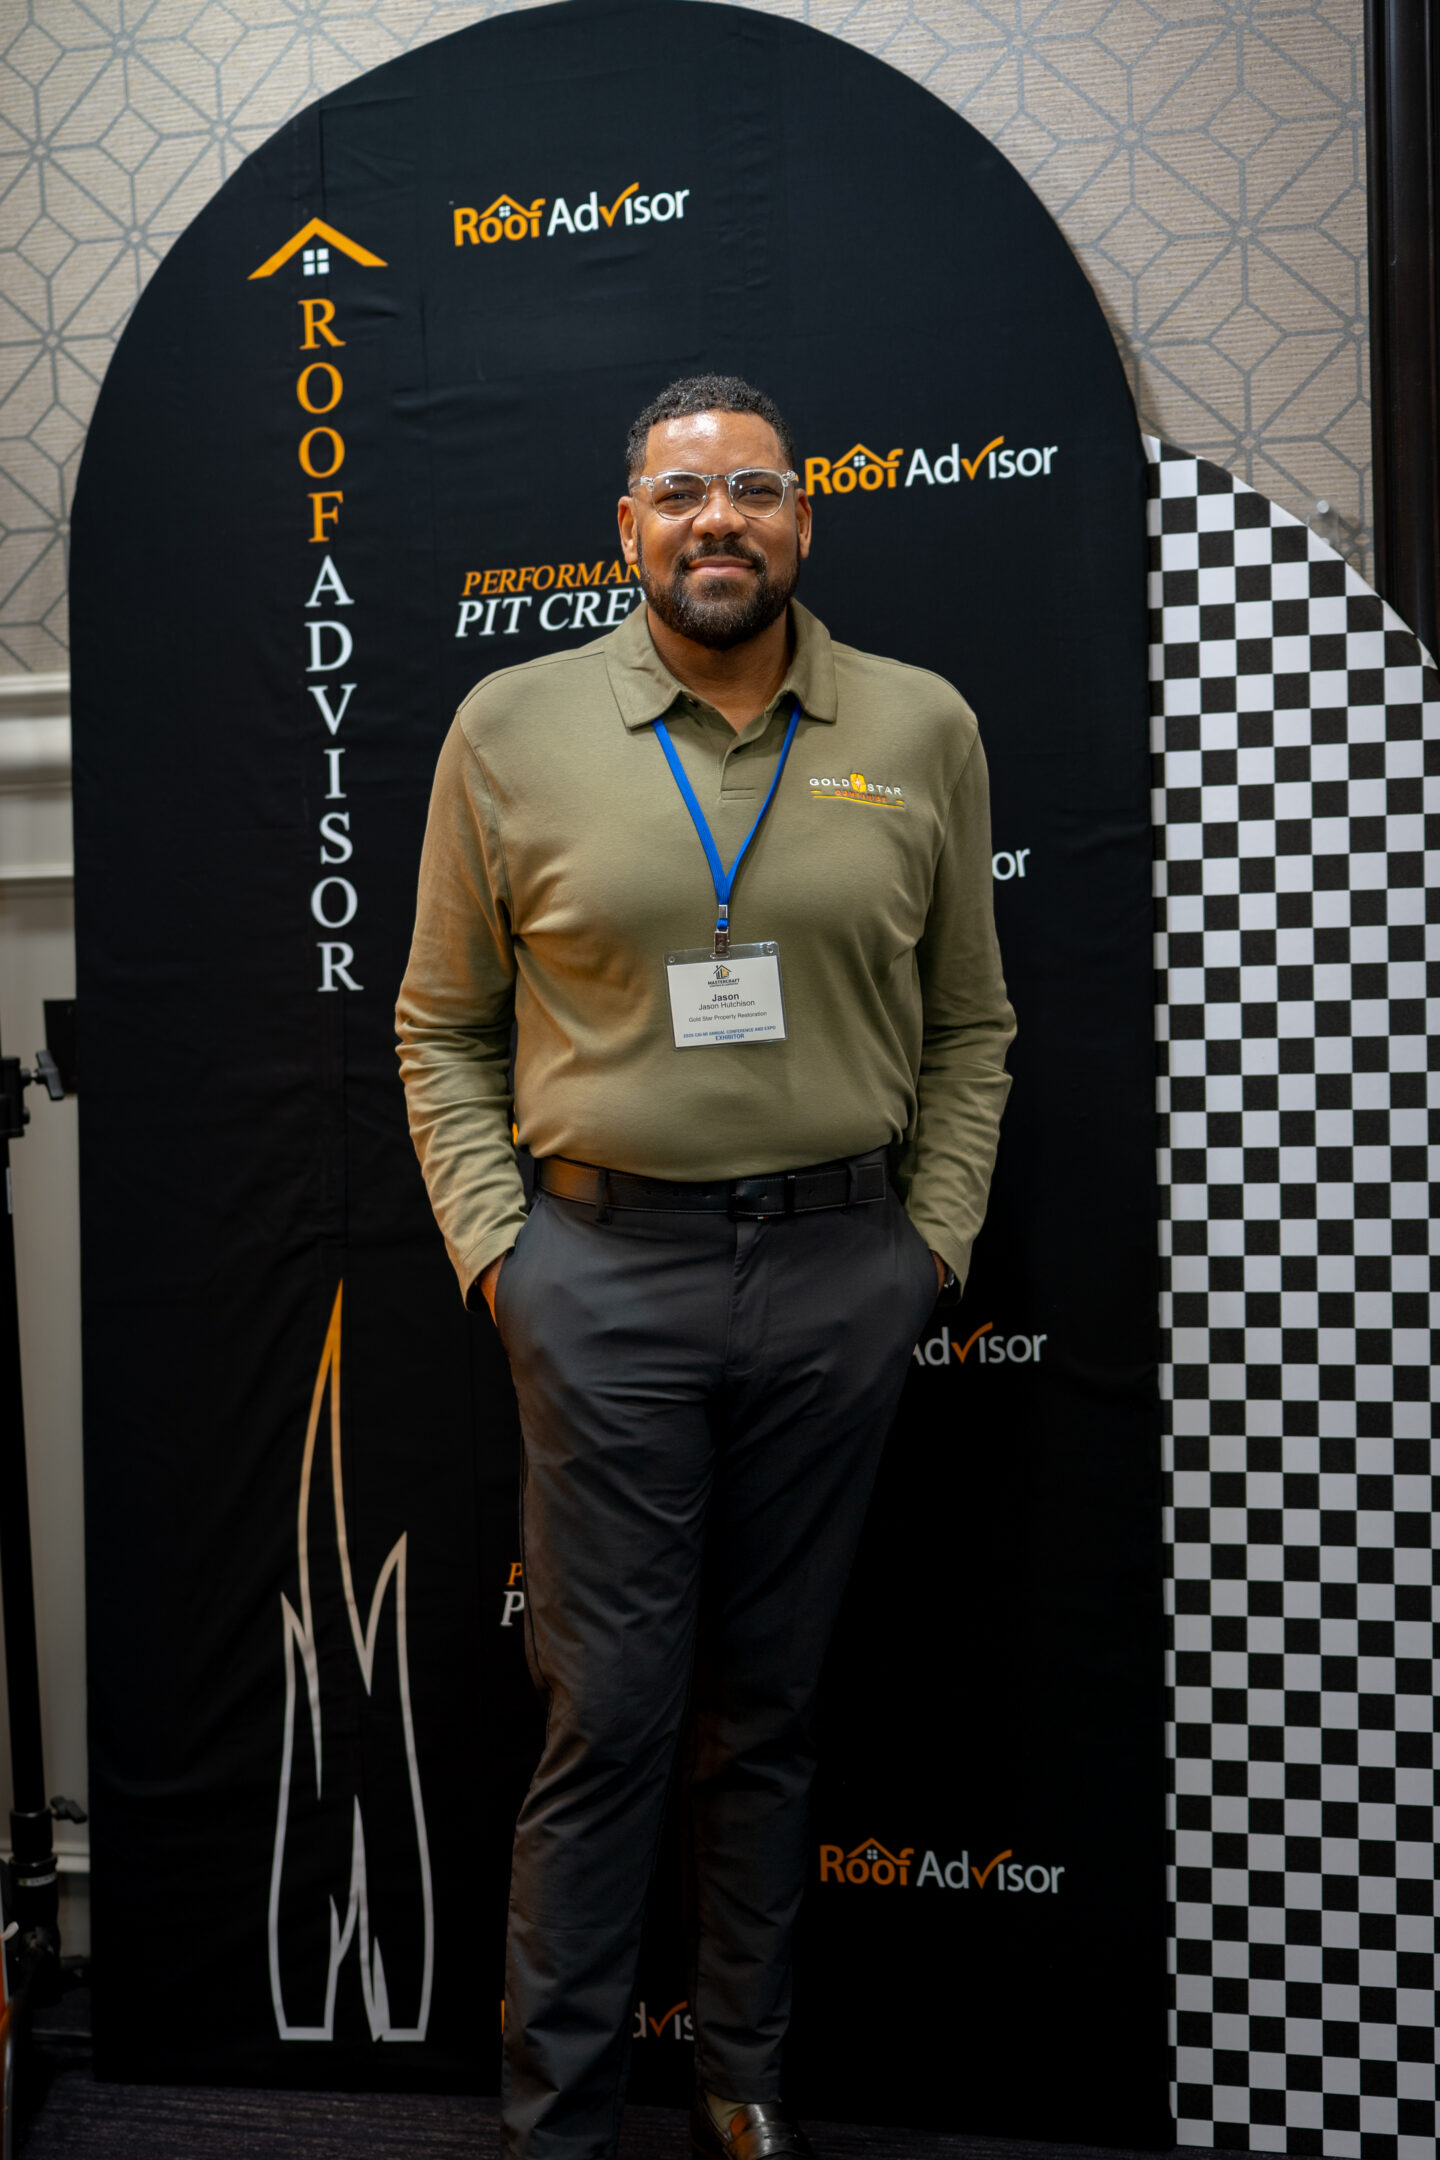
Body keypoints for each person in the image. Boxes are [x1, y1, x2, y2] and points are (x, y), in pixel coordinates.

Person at [396, 375, 1015, 2160]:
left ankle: (740, 2084)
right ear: (630, 532)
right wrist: (505, 1260)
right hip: (599, 1277)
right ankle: (564, 2118)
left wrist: (931, 1245)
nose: (717, 521)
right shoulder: (513, 727)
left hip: (842, 1274)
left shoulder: (922, 723)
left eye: (753, 490)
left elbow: (972, 1022)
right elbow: (440, 1025)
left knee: (775, 1715)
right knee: (608, 1723)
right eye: (682, 496)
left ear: (805, 519)